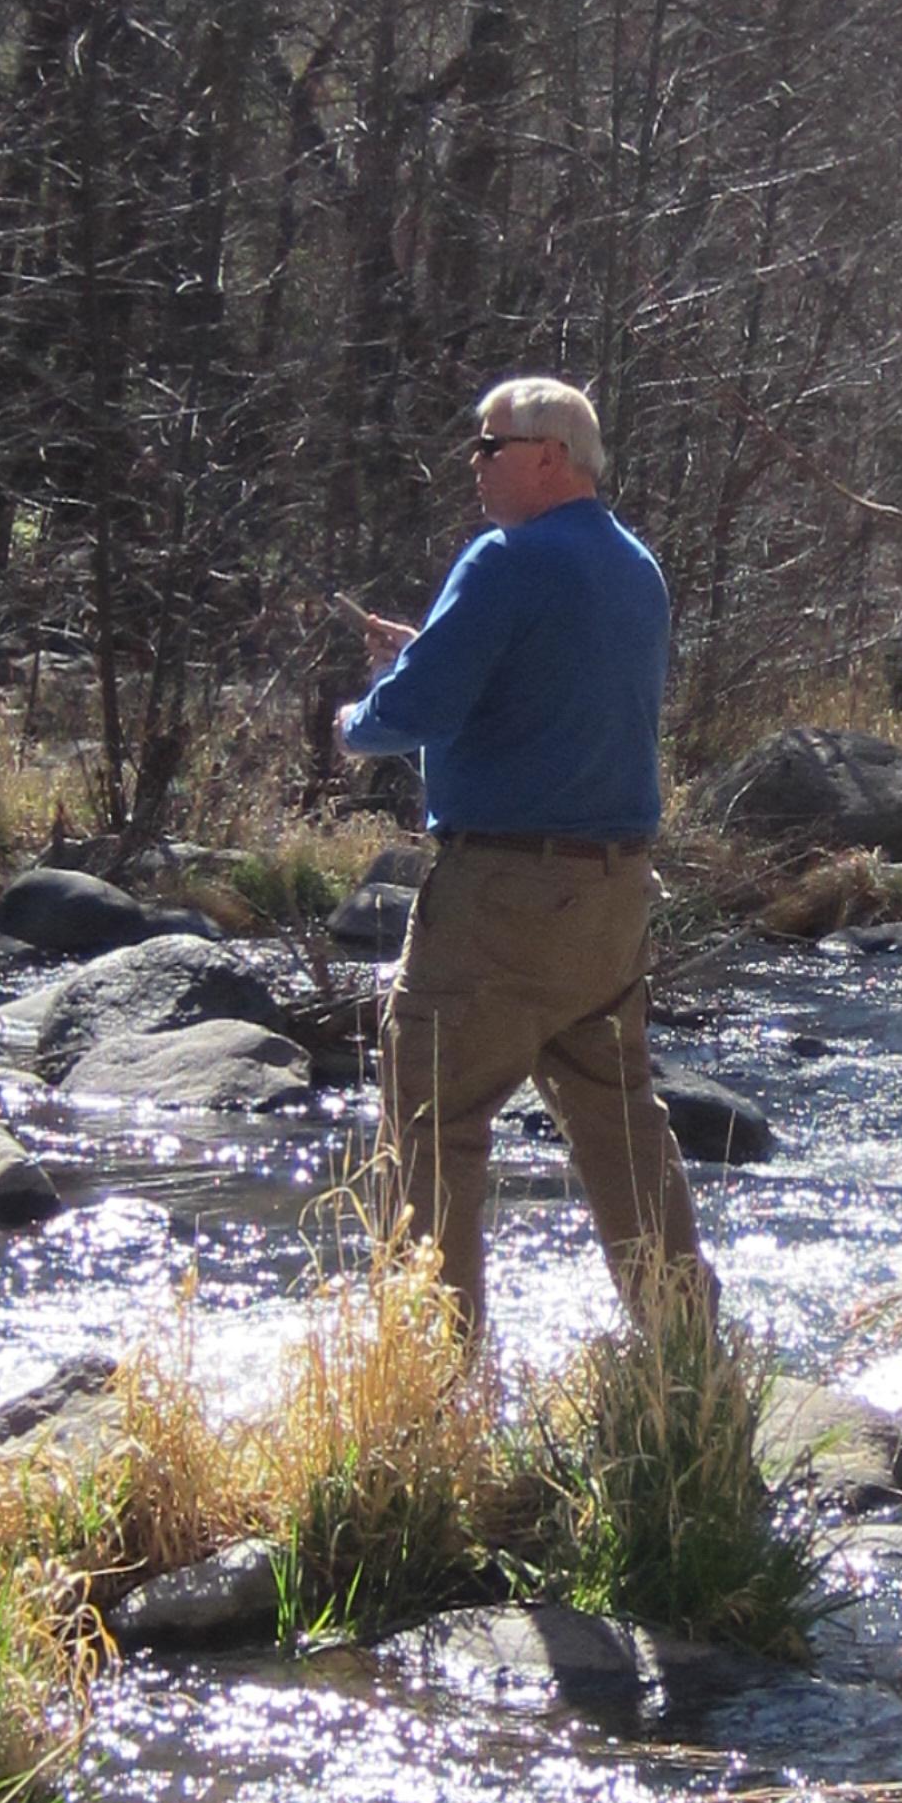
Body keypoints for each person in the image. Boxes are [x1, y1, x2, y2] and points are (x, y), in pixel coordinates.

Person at [336, 375, 715, 1345]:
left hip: (501, 894)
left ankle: (434, 1382)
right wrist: (430, 657)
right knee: (621, 1125)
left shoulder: (503, 560)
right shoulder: (637, 568)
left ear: (553, 455)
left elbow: (413, 715)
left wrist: (360, 715)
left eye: (489, 445)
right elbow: (547, 705)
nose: (475, 463)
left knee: (431, 1121)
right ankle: (684, 1356)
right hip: (611, 900)